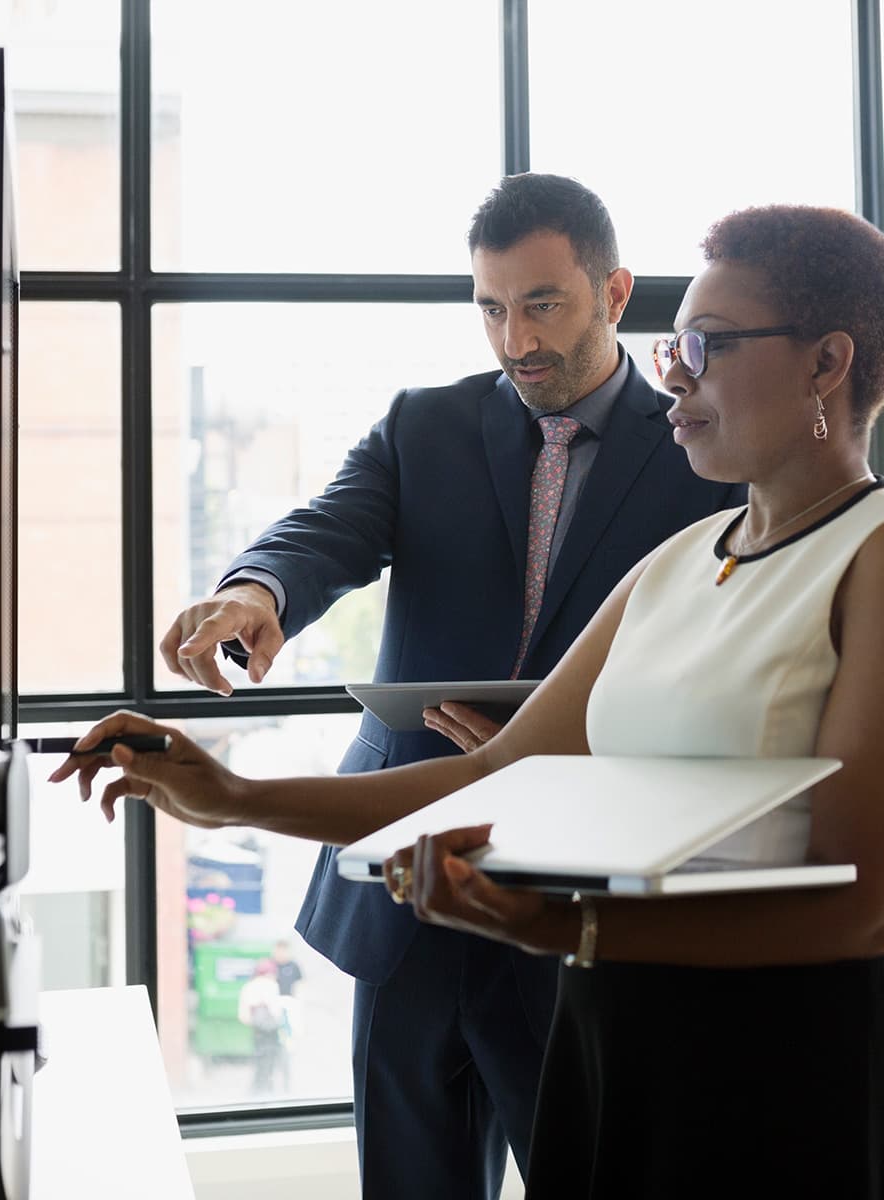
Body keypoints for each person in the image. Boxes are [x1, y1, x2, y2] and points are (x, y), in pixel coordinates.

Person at [54, 203, 884, 1197]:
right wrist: (231, 795)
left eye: (707, 345)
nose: (674, 369)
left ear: (826, 364)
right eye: (679, 344)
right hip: (629, 1020)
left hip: (792, 1054)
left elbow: (873, 903)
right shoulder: (677, 564)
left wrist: (571, 933)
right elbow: (495, 772)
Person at [149, 174, 742, 1198]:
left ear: (615, 293)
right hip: (409, 892)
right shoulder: (423, 425)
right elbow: (327, 529)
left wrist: (557, 743)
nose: (515, 339)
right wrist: (255, 591)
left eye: (543, 303)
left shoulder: (702, 453)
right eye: (491, 307)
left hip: (577, 893)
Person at [236, 959, 289, 1095]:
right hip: (271, 1032)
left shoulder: (248, 986)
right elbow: (276, 1011)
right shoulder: (271, 985)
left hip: (257, 1032)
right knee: (272, 1063)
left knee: (259, 1063)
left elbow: (244, 1016)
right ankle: (269, 1092)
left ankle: (257, 1093)